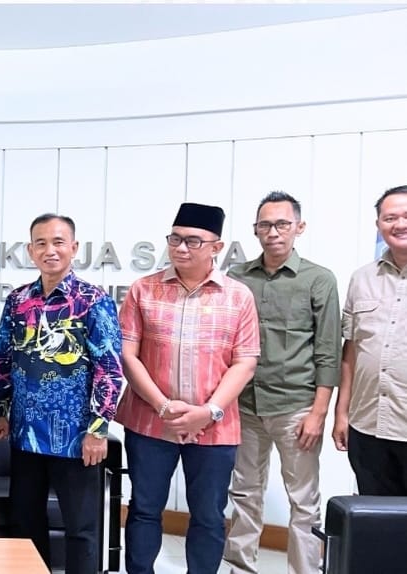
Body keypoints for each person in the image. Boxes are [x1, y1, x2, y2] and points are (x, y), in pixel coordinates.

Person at [115, 202, 260, 574]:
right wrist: (164, 406)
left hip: (215, 426)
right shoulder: (144, 289)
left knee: (209, 515)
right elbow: (128, 355)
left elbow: (245, 362)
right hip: (150, 421)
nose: (181, 248)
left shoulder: (238, 296)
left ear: (216, 247)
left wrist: (207, 411)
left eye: (193, 241)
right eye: (175, 239)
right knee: (144, 509)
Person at [0, 213, 124, 574]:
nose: (50, 250)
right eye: (41, 243)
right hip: (26, 434)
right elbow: (3, 358)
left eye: (58, 242)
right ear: (31, 250)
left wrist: (98, 429)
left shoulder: (93, 301)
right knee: (24, 524)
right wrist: (2, 410)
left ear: (74, 248)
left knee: (81, 529)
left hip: (76, 437)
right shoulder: (18, 300)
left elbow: (110, 369)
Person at [223, 191, 340, 574]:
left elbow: (328, 351)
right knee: (244, 494)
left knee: (304, 501)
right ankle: (241, 568)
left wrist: (318, 413)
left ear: (298, 227)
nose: (273, 232)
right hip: (245, 405)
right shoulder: (237, 277)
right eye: (265, 225)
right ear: (255, 230)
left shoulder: (318, 279)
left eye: (282, 224)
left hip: (296, 408)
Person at [333, 184, 407, 495]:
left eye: (406, 216)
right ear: (378, 224)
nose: (399, 224)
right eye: (390, 218)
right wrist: (342, 413)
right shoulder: (362, 278)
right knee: (375, 515)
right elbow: (351, 351)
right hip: (367, 426)